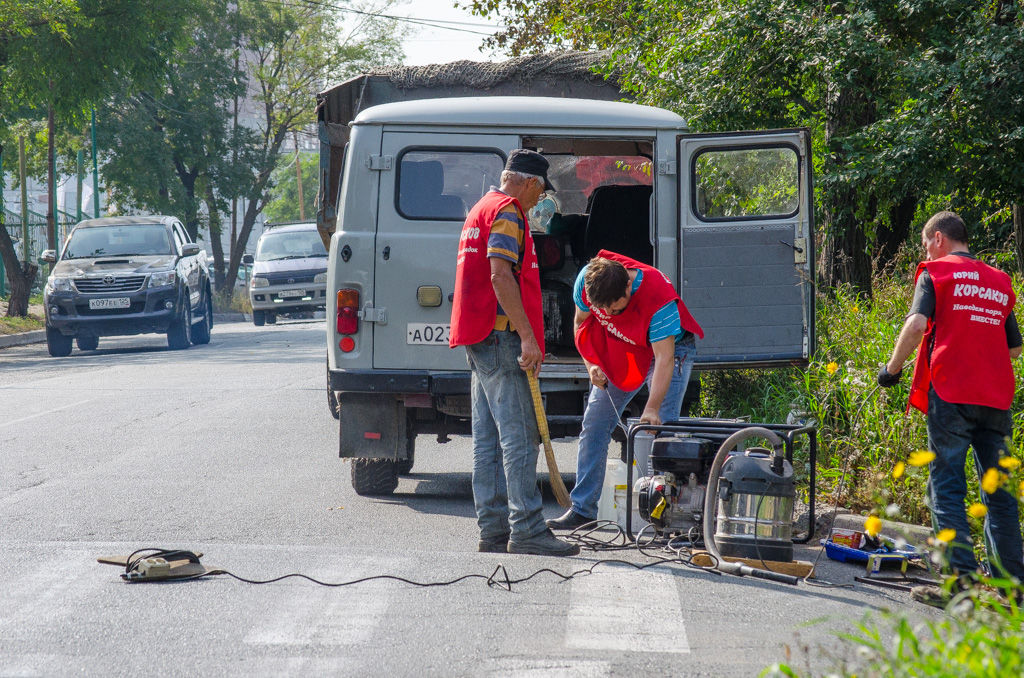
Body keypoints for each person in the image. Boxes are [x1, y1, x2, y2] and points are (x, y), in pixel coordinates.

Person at [878, 211, 1024, 602]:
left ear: (938, 239)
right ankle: (1013, 591)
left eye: (926, 243)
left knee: (946, 487)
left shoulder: (936, 273)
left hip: (953, 395)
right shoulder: (1000, 281)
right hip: (996, 400)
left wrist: (891, 371)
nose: (926, 251)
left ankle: (960, 589)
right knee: (1000, 494)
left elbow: (916, 326)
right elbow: (1013, 346)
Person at [449, 149, 580, 557]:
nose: (538, 201)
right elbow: (500, 274)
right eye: (540, 192)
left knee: (487, 442)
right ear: (526, 182)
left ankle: (492, 529)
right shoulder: (507, 212)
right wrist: (526, 335)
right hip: (503, 339)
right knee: (520, 438)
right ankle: (525, 528)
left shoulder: (481, 210)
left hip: (480, 338)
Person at [547, 251, 704, 530]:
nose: (609, 315)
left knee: (663, 428)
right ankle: (582, 511)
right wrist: (591, 364)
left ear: (629, 287)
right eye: (604, 310)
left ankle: (666, 518)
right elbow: (581, 323)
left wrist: (652, 407)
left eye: (616, 310)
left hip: (669, 349)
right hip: (624, 344)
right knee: (595, 422)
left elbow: (664, 359)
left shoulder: (658, 298)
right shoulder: (587, 282)